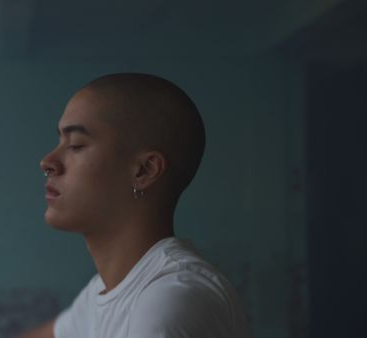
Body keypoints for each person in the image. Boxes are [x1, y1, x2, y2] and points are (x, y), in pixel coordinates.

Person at [20, 73, 251, 338]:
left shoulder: (169, 301)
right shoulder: (102, 293)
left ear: (144, 170)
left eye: (76, 145)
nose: (47, 162)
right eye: (60, 141)